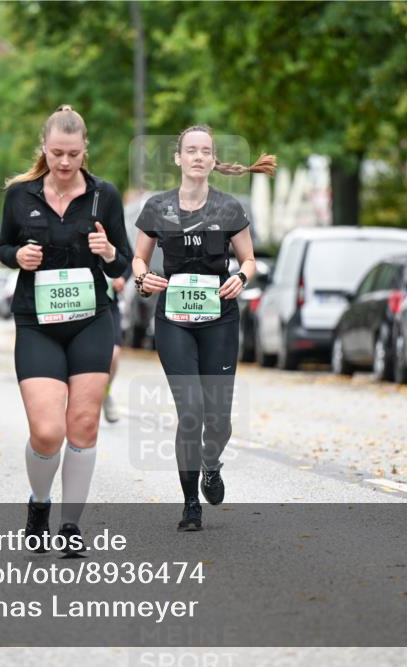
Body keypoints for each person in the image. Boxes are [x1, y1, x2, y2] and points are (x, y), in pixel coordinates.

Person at [0, 106, 132, 555]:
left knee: (84, 424)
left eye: (73, 154)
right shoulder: (20, 195)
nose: (65, 162)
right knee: (47, 431)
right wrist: (18, 256)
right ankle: (39, 502)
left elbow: (125, 263)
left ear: (84, 151)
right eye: (57, 153)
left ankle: (71, 525)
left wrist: (109, 250)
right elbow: (3, 246)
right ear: (44, 148)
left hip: (91, 318)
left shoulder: (103, 196)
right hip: (37, 321)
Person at [132, 125, 275, 531]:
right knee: (190, 411)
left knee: (220, 420)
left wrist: (242, 279)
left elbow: (248, 260)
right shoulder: (156, 208)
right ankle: (190, 503)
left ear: (213, 161)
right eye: (190, 150)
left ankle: (211, 463)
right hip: (175, 320)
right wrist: (144, 279)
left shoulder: (229, 209)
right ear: (177, 158)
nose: (197, 157)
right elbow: (139, 261)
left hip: (220, 319)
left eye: (205, 151)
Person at [102, 266, 132, 423]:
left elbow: (130, 258)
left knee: (113, 355)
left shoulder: (108, 239)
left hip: (109, 305)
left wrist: (122, 277)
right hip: (78, 305)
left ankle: (104, 393)